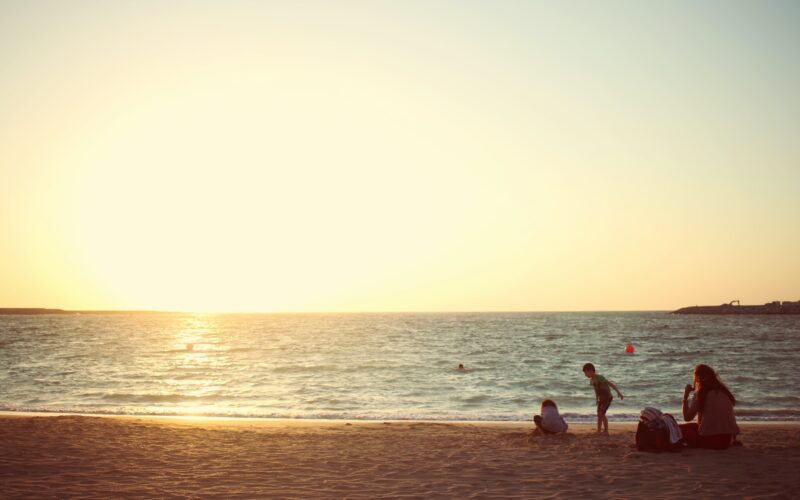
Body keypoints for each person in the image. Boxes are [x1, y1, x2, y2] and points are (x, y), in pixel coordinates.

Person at [680, 364, 740, 449]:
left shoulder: (701, 394)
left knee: (678, 430)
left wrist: (685, 396)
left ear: (698, 378)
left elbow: (687, 417)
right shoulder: (724, 392)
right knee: (691, 426)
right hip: (727, 440)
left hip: (709, 441)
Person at [582, 362, 623, 435]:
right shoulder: (591, 381)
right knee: (599, 414)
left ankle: (606, 431)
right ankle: (598, 430)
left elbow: (610, 384)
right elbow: (596, 390)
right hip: (601, 398)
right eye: (584, 373)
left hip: (607, 397)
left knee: (602, 413)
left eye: (586, 373)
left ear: (591, 370)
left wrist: (618, 392)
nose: (585, 375)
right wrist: (597, 399)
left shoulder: (600, 377)